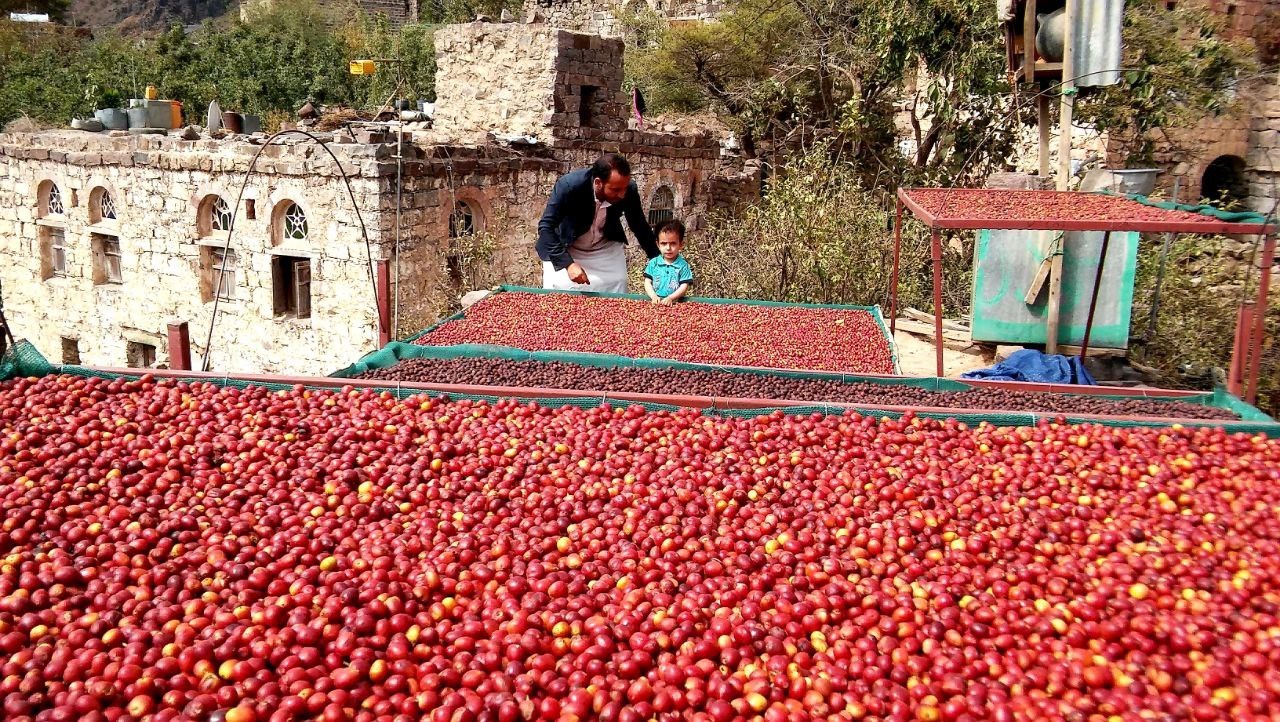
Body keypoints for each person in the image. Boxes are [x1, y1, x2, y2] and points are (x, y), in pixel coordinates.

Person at [537, 153, 659, 293]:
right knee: (559, 288)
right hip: (567, 246)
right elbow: (546, 226)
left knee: (619, 283)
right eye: (616, 190)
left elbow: (639, 226)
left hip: (604, 248)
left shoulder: (627, 190)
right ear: (598, 183)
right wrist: (568, 264)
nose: (622, 194)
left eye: (624, 188)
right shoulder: (569, 186)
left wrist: (658, 261)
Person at [643, 219, 694, 305]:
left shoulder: (683, 265)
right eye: (664, 243)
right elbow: (647, 282)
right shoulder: (653, 263)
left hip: (675, 304)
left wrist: (671, 298)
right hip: (655, 303)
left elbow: (684, 286)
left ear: (681, 244)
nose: (668, 248)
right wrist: (653, 296)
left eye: (673, 243)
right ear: (658, 244)